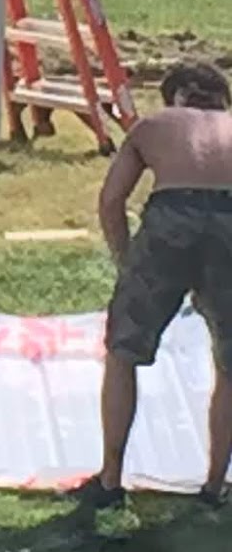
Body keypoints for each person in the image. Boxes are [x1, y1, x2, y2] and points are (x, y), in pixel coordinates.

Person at [82, 58, 232, 513]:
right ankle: (214, 487)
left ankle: (110, 481)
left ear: (177, 98)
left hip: (171, 217)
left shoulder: (154, 125)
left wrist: (127, 261)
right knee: (229, 364)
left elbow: (111, 200)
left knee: (123, 351)